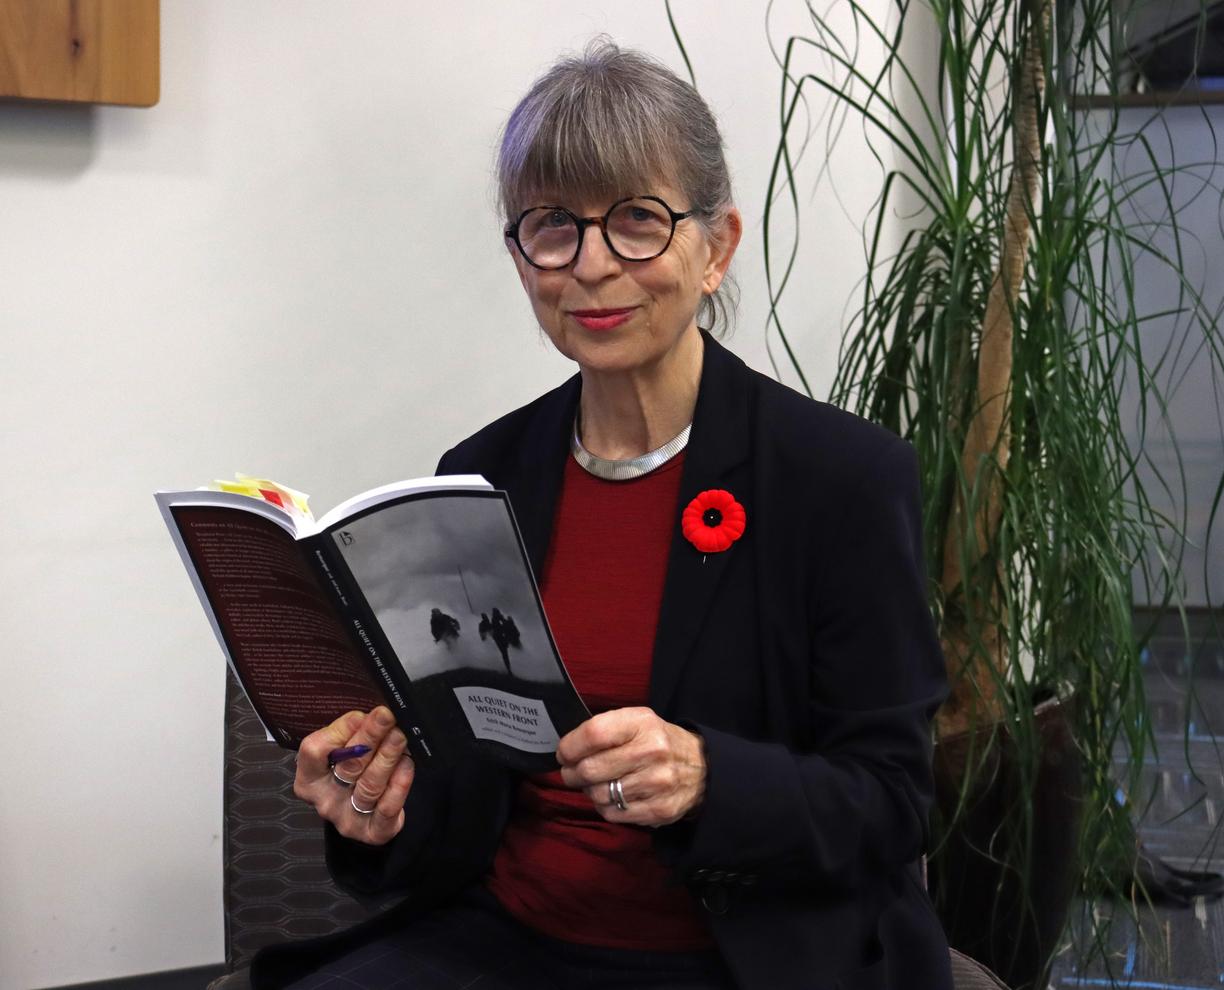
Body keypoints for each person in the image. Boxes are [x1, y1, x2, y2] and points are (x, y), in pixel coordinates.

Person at [254, 39, 953, 990]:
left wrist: (712, 778)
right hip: (504, 939)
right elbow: (464, 784)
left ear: (718, 247)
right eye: (552, 225)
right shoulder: (482, 475)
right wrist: (382, 807)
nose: (590, 264)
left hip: (736, 957)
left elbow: (893, 802)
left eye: (637, 220)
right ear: (521, 256)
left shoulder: (839, 478)